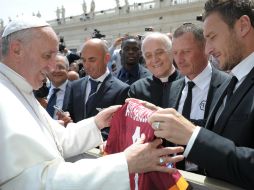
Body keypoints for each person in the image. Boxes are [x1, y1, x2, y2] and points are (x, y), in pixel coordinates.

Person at [0, 16, 185, 190]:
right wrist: (124, 163)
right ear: (17, 49)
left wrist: (97, 122)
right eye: (47, 56)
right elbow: (38, 184)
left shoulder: (19, 89)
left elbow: (60, 141)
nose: (51, 67)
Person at [148, 0, 254, 189]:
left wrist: (193, 136)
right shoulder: (234, 81)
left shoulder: (225, 80)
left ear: (243, 26)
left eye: (212, 37)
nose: (208, 50)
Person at [66, 38, 129, 140]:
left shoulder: (122, 90)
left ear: (106, 58)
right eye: (84, 60)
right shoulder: (75, 86)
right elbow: (69, 114)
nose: (86, 65)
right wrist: (65, 119)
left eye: (92, 60)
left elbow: (117, 129)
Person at [128, 32, 182, 107]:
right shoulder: (137, 90)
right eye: (148, 55)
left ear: (171, 51)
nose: (154, 59)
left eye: (159, 52)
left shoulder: (188, 82)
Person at [46, 53, 72, 119]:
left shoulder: (77, 92)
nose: (57, 71)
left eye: (61, 67)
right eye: (53, 67)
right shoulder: (41, 92)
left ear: (68, 69)